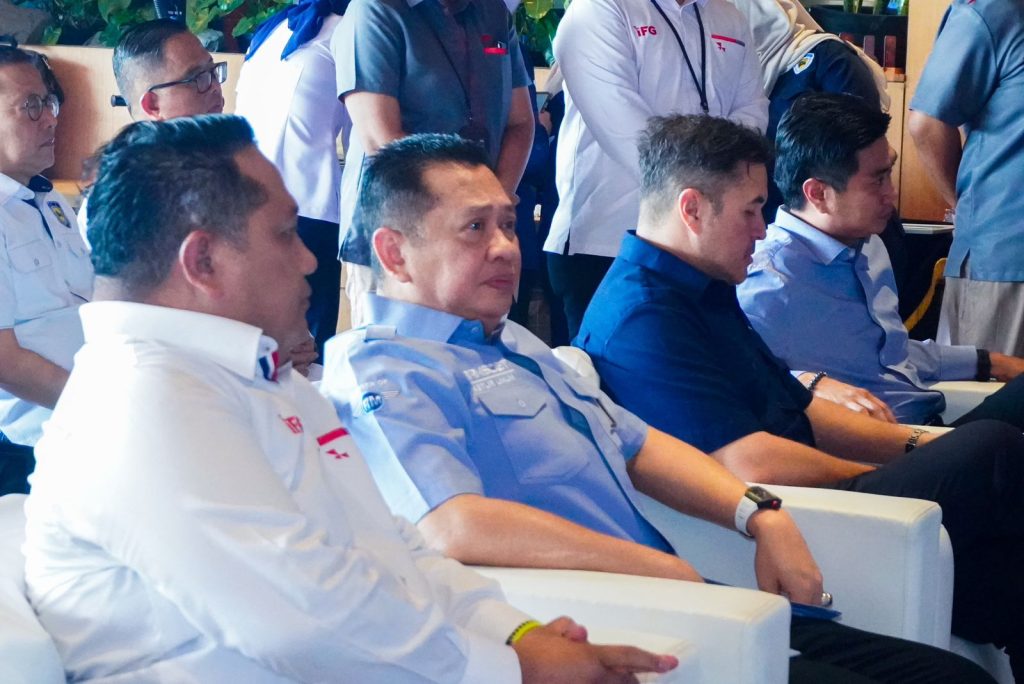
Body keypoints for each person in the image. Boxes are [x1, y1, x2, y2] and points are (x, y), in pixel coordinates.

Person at [321, 132, 996, 684]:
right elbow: (452, 524)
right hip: (612, 620)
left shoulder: (515, 342)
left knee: (950, 675)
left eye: (507, 223)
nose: (505, 246)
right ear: (394, 253)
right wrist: (656, 569)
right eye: (475, 228)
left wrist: (760, 514)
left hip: (698, 593)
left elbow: (637, 442)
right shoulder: (384, 368)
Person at [22, 114, 674, 684]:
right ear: (204, 262)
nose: (310, 261)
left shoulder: (256, 378)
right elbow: (296, 621)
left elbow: (390, 549)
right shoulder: (139, 397)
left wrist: (517, 635)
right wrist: (515, 669)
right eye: (285, 234)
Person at [576, 112, 1024, 677]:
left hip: (828, 485)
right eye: (750, 211)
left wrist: (919, 445)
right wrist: (887, 468)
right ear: (691, 210)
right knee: (992, 448)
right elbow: (747, 461)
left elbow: (805, 409)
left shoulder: (705, 289)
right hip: (795, 505)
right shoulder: (643, 317)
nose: (762, 229)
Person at [738, 92, 1024, 428]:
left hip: (928, 427)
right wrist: (807, 382)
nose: (892, 192)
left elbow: (890, 354)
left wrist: (990, 361)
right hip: (876, 445)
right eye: (878, 180)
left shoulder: (869, 246)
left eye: (889, 173)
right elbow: (732, 375)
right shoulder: (766, 279)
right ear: (818, 193)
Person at [91, 19, 318, 374]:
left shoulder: (233, 164)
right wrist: (268, 348)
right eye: (197, 79)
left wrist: (293, 333)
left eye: (214, 72)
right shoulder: (122, 203)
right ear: (152, 103)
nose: (215, 88)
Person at [544, 0, 767, 338]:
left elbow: (752, 113)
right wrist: (709, 199)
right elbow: (632, 139)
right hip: (608, 246)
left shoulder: (729, 16)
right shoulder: (599, 9)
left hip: (710, 244)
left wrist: (710, 209)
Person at [335, 0, 535, 327]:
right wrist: (464, 214)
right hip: (405, 237)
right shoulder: (375, 9)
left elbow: (521, 123)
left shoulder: (493, 12)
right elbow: (382, 140)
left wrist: (489, 209)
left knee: (478, 353)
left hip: (479, 235)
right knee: (403, 352)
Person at [236, 0, 351, 361]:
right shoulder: (347, 32)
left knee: (259, 339)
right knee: (308, 346)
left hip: (245, 204)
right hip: (310, 209)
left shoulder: (269, 31)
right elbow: (362, 140)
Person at [0, 40, 91, 494]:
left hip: (90, 415)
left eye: (49, 102)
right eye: (31, 107)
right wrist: (100, 407)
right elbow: (4, 361)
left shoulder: (47, 197)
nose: (52, 118)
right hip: (33, 442)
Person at [908, 0, 1024, 356]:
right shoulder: (994, 10)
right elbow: (927, 123)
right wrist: (965, 206)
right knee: (993, 385)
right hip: (1006, 256)